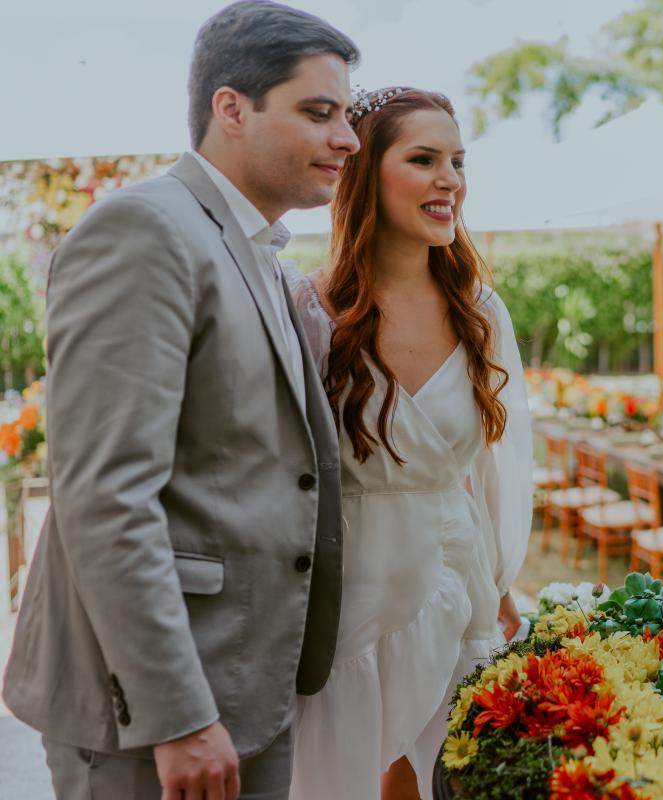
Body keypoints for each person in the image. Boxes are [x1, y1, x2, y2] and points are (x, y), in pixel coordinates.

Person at [2, 3, 360, 798]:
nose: (348, 140)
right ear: (231, 109)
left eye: (346, 115)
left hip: (246, 683)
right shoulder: (143, 231)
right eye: (319, 112)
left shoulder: (255, 249)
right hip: (154, 713)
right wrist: (176, 715)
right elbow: (105, 495)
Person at [286, 86, 532, 800]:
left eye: (457, 160)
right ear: (364, 177)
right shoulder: (306, 309)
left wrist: (498, 578)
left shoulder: (480, 311)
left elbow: (494, 466)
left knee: (446, 776)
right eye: (423, 158)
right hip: (351, 589)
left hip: (457, 581)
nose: (449, 178)